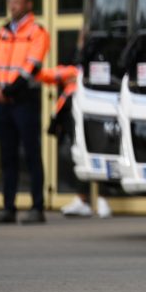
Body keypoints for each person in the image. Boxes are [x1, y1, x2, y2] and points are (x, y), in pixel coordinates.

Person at [0, 0, 50, 224]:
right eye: (10, 1)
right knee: (7, 156)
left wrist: (9, 91)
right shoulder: (3, 31)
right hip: (3, 101)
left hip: (24, 100)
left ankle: (37, 207)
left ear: (28, 5)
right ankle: (8, 208)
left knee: (31, 153)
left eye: (17, 2)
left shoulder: (37, 32)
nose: (12, 6)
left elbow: (31, 66)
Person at [38, 42, 111, 218]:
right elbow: (54, 75)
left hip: (95, 111)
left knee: (98, 153)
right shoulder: (74, 66)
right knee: (76, 154)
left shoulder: (99, 61)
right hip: (75, 113)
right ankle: (83, 200)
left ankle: (102, 198)